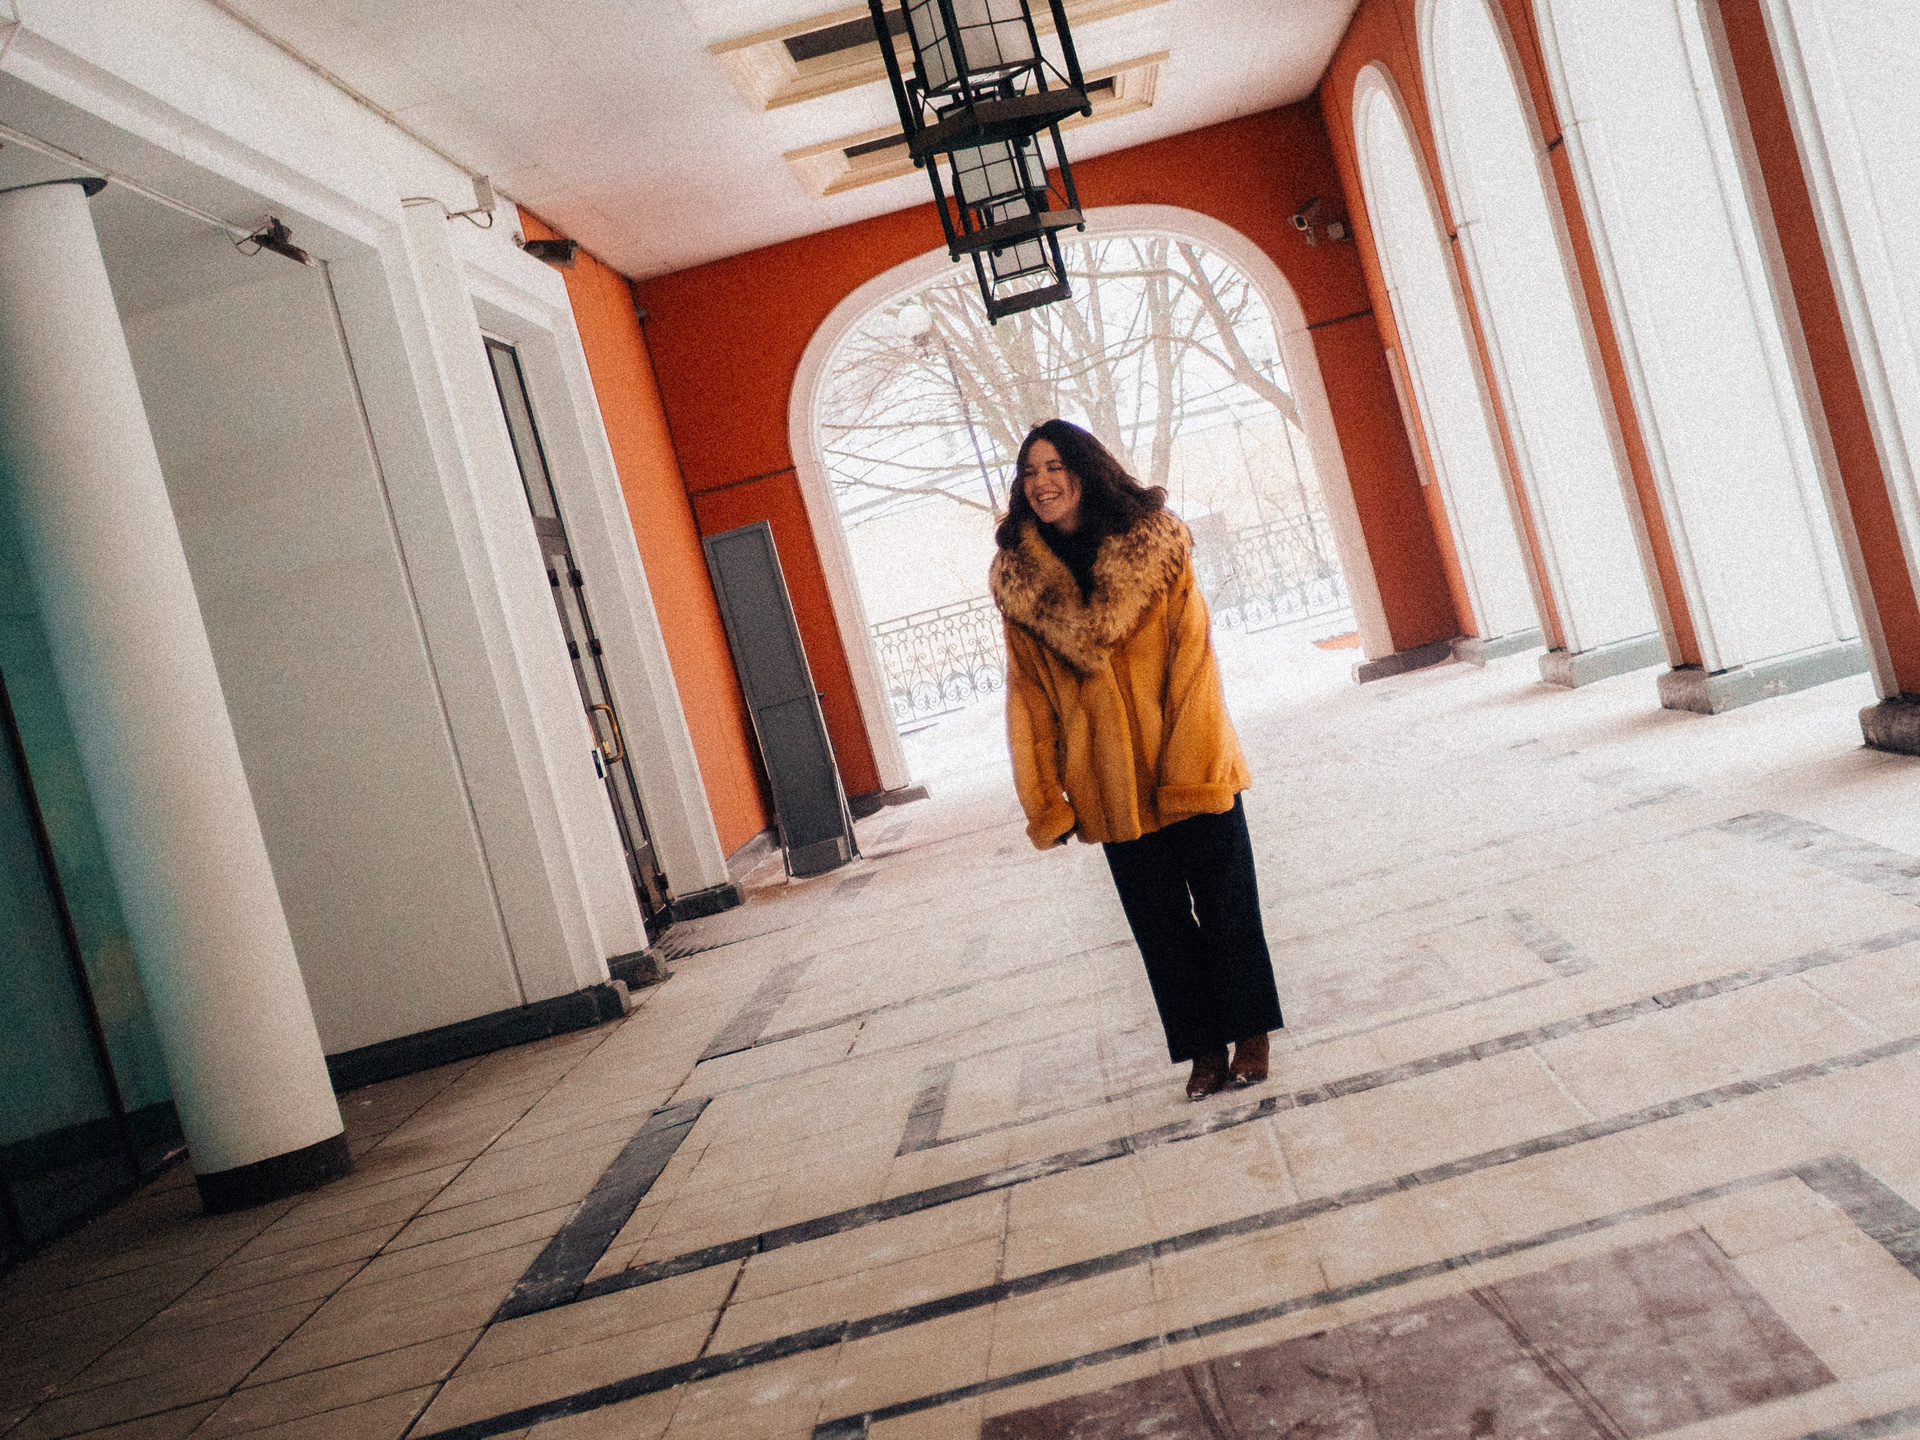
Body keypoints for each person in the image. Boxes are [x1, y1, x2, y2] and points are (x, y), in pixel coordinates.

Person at [989, 418, 1284, 1101]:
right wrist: (1047, 799)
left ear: (1085, 469)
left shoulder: (1154, 544)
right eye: (1030, 472)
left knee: (1227, 904)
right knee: (1159, 927)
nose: (1042, 482)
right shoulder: (1019, 582)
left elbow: (1193, 656)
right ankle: (1203, 1051)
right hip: (1107, 784)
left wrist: (1190, 763)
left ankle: (1251, 1035)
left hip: (1192, 758)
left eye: (1054, 466)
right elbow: (1028, 698)